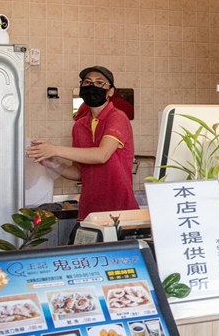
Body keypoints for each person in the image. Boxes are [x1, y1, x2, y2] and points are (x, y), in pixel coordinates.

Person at [27, 65, 138, 220]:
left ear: (110, 91)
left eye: (100, 83)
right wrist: (54, 164)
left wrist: (55, 149)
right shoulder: (79, 126)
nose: (92, 86)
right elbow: (80, 173)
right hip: (89, 212)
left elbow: (102, 155)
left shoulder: (117, 117)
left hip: (119, 212)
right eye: (87, 82)